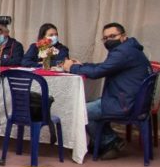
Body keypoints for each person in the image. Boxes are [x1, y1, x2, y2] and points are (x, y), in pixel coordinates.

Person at [61, 23, 152, 160]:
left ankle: (110, 141)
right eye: (105, 38)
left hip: (125, 104)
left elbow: (98, 72)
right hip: (132, 100)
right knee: (89, 106)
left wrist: (71, 68)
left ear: (123, 37)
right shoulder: (129, 49)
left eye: (112, 36)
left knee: (82, 111)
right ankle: (104, 140)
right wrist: (82, 66)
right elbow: (105, 67)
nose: (109, 40)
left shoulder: (123, 52)